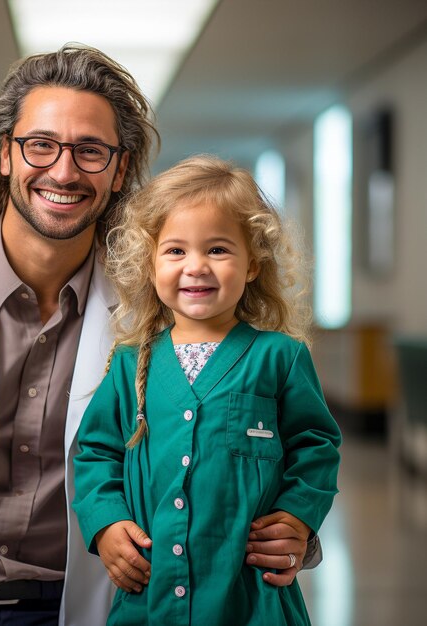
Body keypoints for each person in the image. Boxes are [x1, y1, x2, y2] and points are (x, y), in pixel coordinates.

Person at [0, 46, 321, 626]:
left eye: (90, 151)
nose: (63, 170)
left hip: (90, 605)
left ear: (120, 169)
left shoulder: (163, 305)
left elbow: (242, 449)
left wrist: (296, 529)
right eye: (41, 145)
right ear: (4, 155)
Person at [73, 155, 342, 625]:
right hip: (149, 598)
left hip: (251, 598)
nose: (195, 266)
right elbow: (95, 451)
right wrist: (106, 522)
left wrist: (298, 517)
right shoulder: (129, 363)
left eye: (217, 250)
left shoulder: (279, 358)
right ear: (151, 263)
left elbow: (316, 446)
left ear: (253, 264)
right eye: (175, 251)